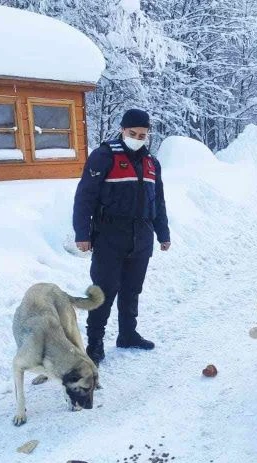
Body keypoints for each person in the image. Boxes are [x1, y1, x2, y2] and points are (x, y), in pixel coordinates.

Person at [72, 108, 170, 365]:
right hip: (109, 235)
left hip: (142, 235)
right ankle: (94, 344)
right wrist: (82, 233)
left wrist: (163, 233)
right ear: (122, 130)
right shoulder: (103, 156)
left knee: (132, 289)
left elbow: (158, 200)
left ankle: (127, 334)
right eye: (133, 133)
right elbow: (84, 197)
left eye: (143, 134)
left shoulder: (151, 163)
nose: (138, 138)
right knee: (103, 291)